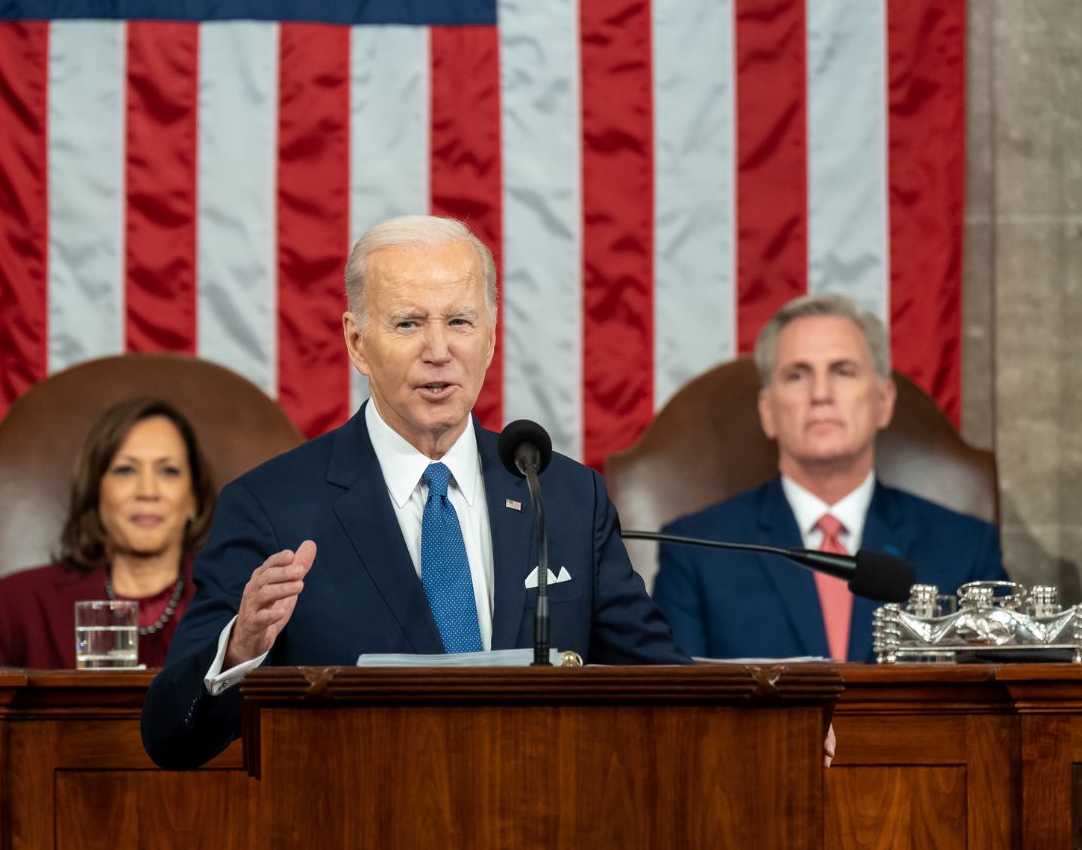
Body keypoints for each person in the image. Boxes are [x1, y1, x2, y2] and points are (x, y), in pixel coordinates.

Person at [142, 215, 690, 770]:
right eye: (408, 324)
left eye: (459, 321)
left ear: (492, 337)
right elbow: (172, 739)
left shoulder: (566, 496)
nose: (438, 350)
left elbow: (672, 691)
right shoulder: (271, 508)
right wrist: (241, 649)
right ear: (358, 342)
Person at [652, 294, 1008, 662]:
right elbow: (679, 710)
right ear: (767, 411)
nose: (820, 395)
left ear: (883, 401)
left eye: (843, 371)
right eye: (796, 375)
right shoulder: (695, 550)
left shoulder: (966, 549)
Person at [0, 399, 216, 668]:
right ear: (96, 492)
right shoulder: (22, 604)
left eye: (169, 471)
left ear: (194, 498)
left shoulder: (232, 606)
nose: (147, 491)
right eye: (125, 469)